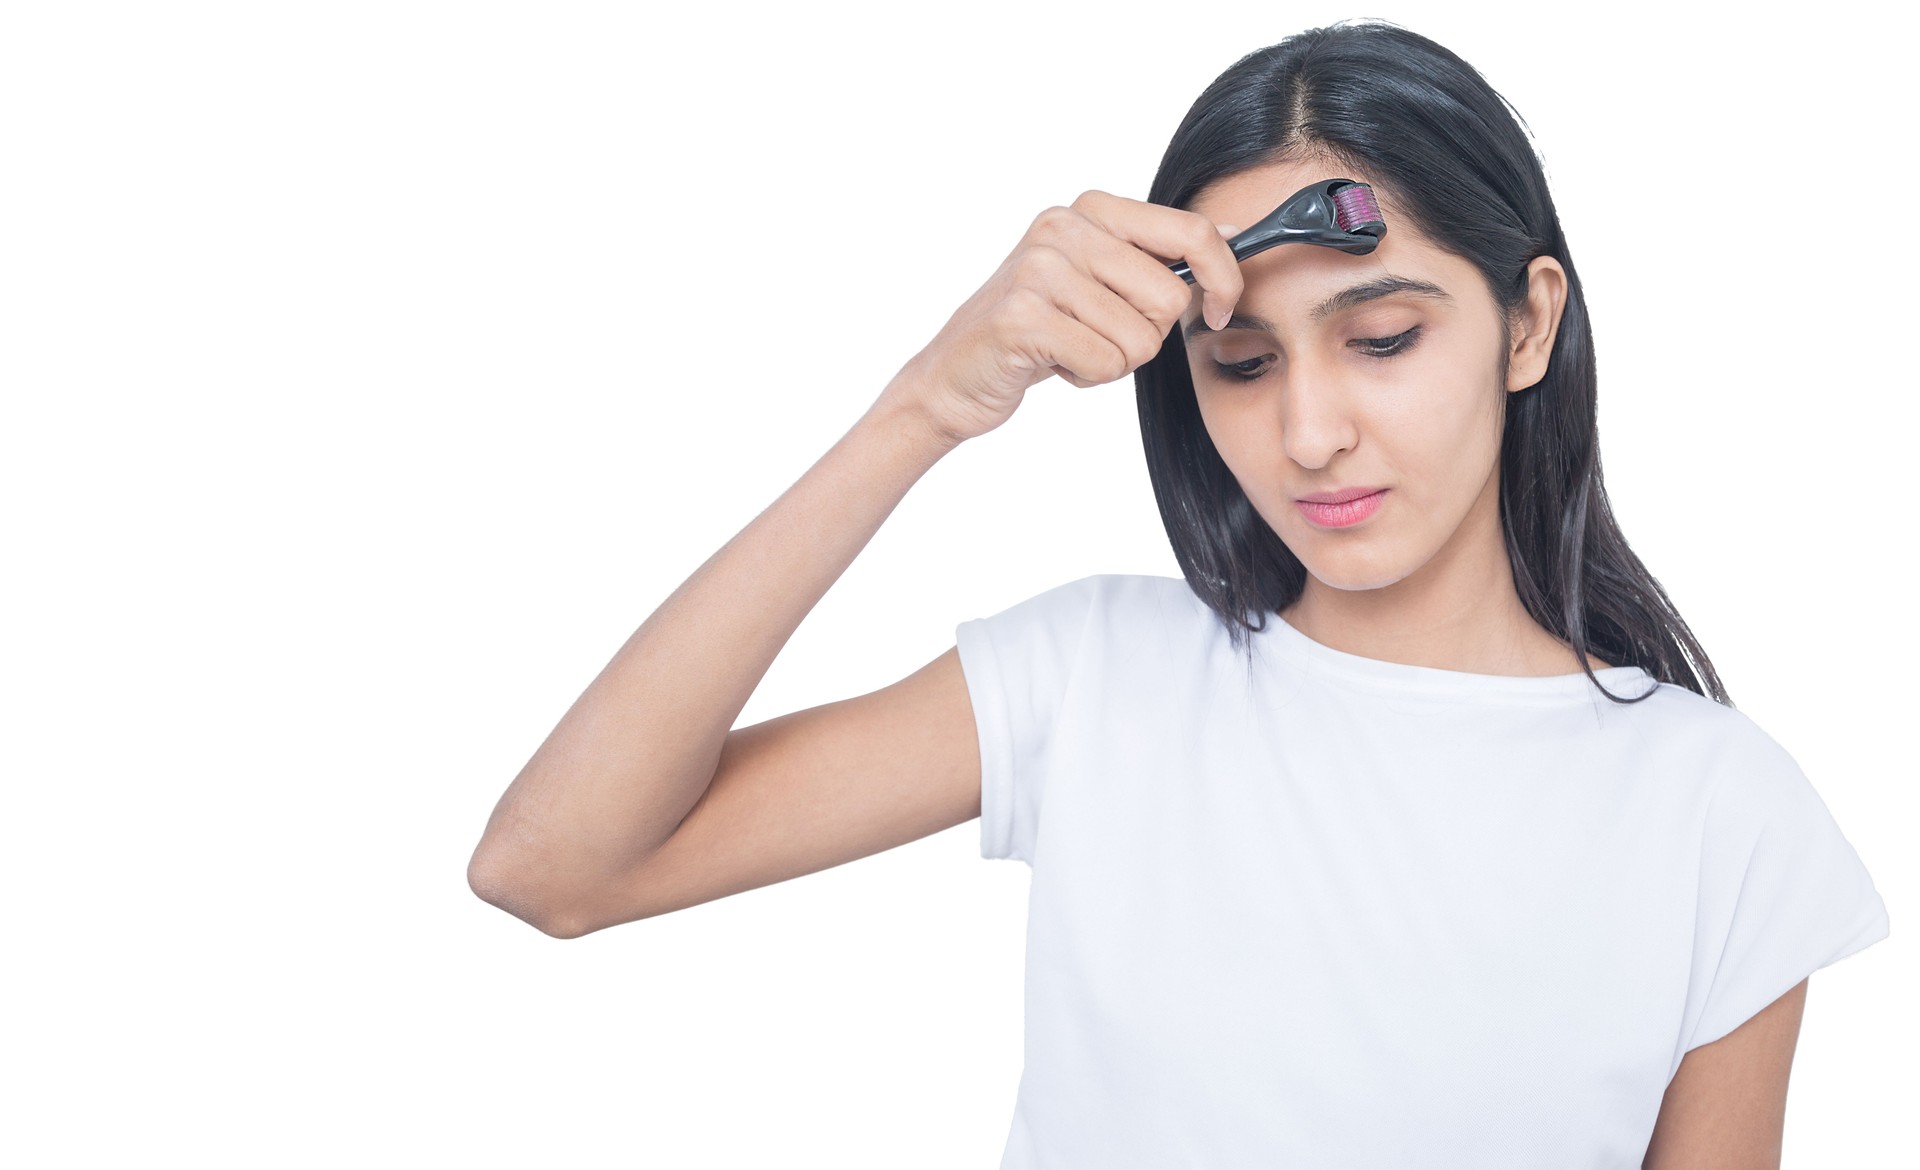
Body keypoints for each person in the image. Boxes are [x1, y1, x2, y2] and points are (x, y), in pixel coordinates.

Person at [466, 19, 1889, 1168]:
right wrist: (925, 406)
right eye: (1244, 363)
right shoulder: (1094, 680)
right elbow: (555, 864)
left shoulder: (1721, 815)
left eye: (1382, 336)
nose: (1311, 431)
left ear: (1528, 323)